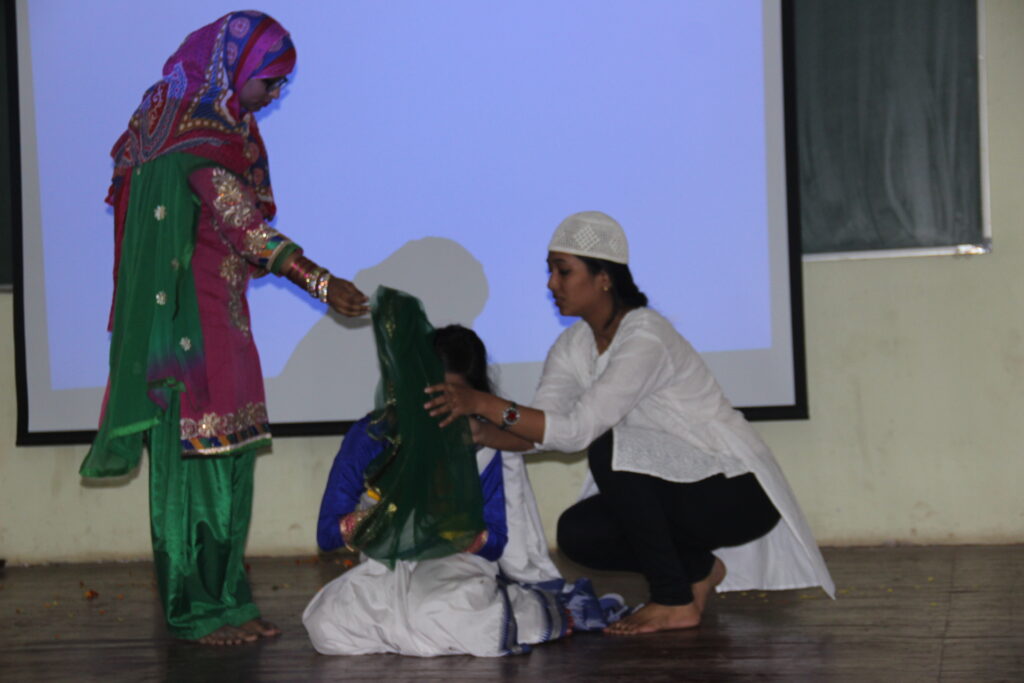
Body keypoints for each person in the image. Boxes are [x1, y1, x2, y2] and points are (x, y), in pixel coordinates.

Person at [78, 11, 368, 646]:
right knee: (193, 480)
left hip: (225, 323)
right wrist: (322, 283)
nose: (276, 94)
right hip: (187, 335)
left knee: (230, 467)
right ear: (236, 69)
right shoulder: (196, 133)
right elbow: (246, 229)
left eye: (283, 83)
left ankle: (230, 600)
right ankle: (194, 610)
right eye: (271, 80)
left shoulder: (218, 126)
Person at [424, 210, 835, 635]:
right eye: (550, 271)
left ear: (604, 278)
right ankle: (698, 568)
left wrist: (483, 402)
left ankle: (674, 600)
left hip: (736, 490)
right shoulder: (573, 345)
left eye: (563, 271)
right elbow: (541, 433)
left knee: (608, 447)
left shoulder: (645, 335)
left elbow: (578, 431)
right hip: (674, 488)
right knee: (578, 533)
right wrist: (480, 430)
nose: (551, 284)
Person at [304, 319, 626, 656]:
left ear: (474, 400)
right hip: (384, 568)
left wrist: (447, 529)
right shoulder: (371, 435)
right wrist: (390, 521)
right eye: (429, 395)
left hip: (453, 568)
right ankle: (422, 632)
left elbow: (496, 541)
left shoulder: (484, 445)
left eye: (453, 399)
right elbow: (327, 534)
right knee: (325, 624)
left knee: (442, 611)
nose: (437, 410)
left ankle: (518, 611)